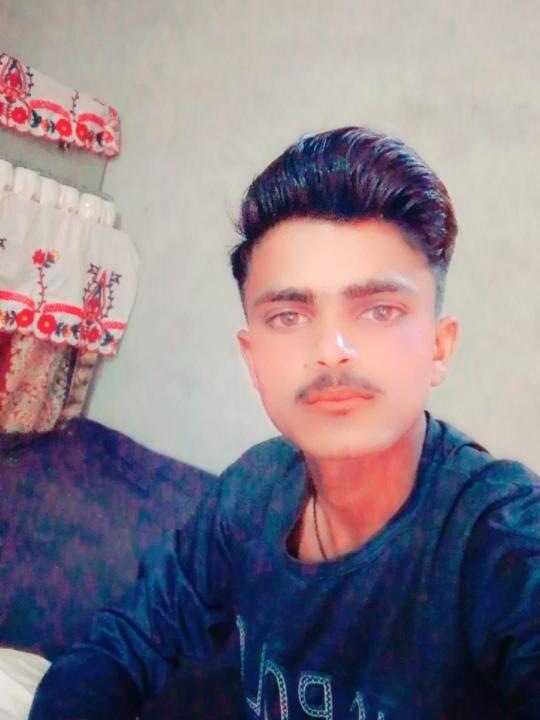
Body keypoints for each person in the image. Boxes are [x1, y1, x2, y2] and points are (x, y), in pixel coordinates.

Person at [29, 127, 540, 719]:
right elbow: (122, 645)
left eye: (380, 310)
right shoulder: (252, 488)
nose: (331, 350)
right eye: (289, 315)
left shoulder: (502, 542)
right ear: (253, 361)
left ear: (438, 347)